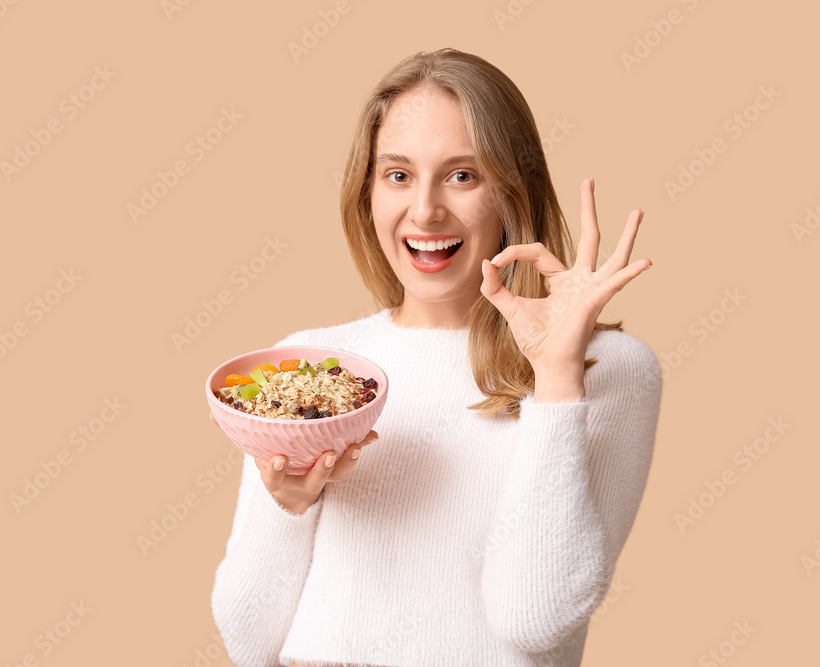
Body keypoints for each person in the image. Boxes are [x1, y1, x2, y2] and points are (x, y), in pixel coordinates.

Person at [210, 47, 662, 667]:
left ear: (512, 194)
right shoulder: (315, 371)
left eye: (462, 176)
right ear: (367, 192)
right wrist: (289, 506)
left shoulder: (605, 369)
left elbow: (535, 618)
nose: (424, 211)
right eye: (398, 175)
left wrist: (556, 377)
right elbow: (248, 644)